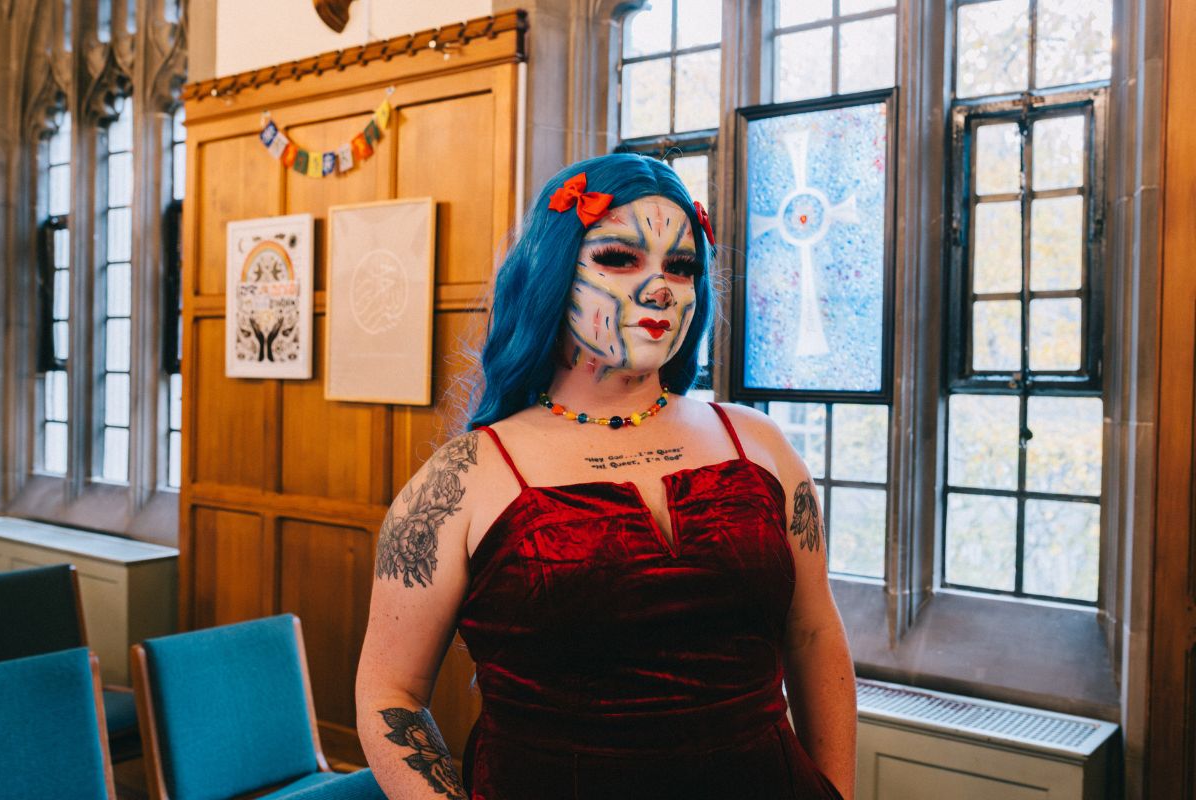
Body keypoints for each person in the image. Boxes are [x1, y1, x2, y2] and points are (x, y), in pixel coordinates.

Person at [356, 153, 857, 799]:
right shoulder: (464, 478)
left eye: (682, 267)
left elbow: (814, 633)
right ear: (553, 273)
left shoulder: (759, 444)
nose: (660, 288)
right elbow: (388, 692)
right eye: (621, 258)